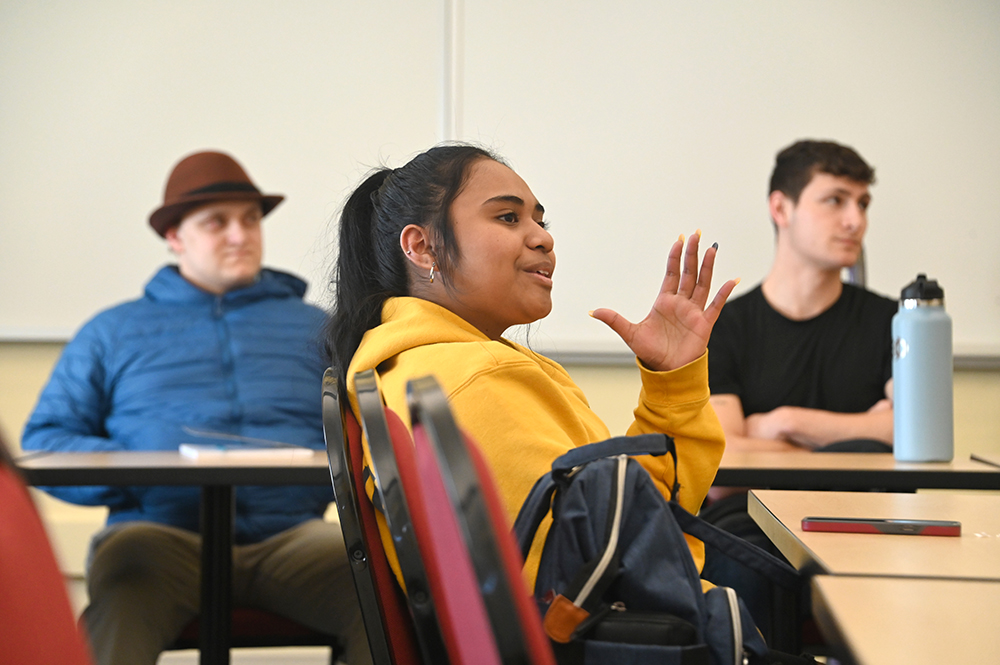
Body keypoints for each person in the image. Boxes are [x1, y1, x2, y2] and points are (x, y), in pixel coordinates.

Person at [326, 143, 737, 585]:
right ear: (422, 247)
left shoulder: (420, 366)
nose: (544, 237)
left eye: (540, 221)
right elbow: (604, 569)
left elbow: (622, 519)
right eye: (507, 217)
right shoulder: (473, 379)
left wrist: (670, 386)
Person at [22, 151, 371, 665]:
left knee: (383, 598)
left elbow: (363, 432)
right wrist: (135, 467)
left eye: (251, 220)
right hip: (158, 540)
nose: (240, 235)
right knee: (123, 593)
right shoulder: (112, 332)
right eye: (217, 223)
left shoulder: (317, 328)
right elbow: (46, 440)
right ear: (174, 237)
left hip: (291, 539)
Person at [701, 139, 897, 633]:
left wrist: (782, 423)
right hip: (754, 525)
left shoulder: (893, 321)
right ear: (781, 207)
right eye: (836, 200)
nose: (856, 220)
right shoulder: (727, 324)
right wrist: (856, 440)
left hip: (868, 519)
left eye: (863, 203)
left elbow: (910, 434)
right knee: (736, 563)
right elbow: (723, 469)